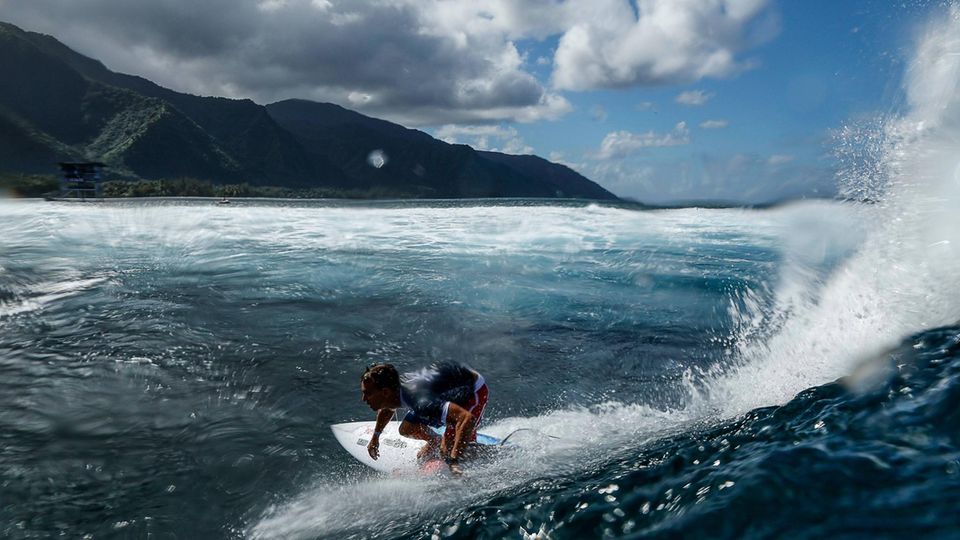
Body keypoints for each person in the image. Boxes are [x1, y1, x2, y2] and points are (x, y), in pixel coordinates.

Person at [360, 362, 488, 475]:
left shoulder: (421, 402)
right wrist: (375, 437)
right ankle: (436, 442)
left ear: (385, 393)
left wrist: (454, 460)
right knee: (407, 429)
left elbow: (466, 419)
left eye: (367, 394)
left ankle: (489, 453)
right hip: (441, 391)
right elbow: (386, 407)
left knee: (449, 451)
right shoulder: (393, 392)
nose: (364, 399)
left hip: (471, 390)